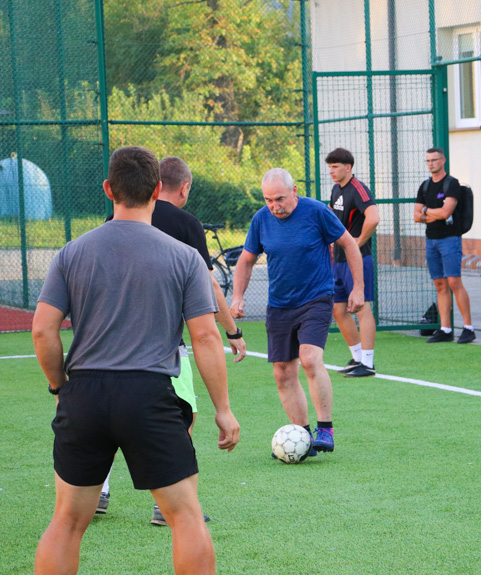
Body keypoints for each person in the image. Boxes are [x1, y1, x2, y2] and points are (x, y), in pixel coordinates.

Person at [32, 146, 240, 575]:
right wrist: (223, 409)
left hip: (85, 393)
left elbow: (42, 330)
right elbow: (204, 335)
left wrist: (59, 387)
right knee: (184, 516)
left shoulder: (72, 253)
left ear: (109, 189)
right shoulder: (183, 257)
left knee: (68, 521)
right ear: (158, 190)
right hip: (149, 393)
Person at [97, 156, 247, 525]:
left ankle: (99, 489)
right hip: (163, 345)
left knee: (104, 420)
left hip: (104, 346)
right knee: (183, 415)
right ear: (184, 188)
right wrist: (233, 330)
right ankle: (168, 504)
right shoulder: (185, 223)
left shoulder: (111, 224)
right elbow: (208, 285)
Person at [230, 168, 364, 455]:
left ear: (294, 191)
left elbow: (349, 245)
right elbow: (246, 260)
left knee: (310, 358)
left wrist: (358, 288)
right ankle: (302, 437)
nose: (275, 206)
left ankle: (325, 429)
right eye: (268, 200)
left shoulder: (316, 212)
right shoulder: (261, 219)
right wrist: (237, 297)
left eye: (279, 198)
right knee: (282, 372)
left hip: (316, 297)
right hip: (279, 304)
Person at [326, 148, 379, 377]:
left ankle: (368, 363)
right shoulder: (336, 189)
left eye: (335, 166)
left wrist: (357, 243)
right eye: (329, 166)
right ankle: (357, 358)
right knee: (338, 310)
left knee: (362, 308)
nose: (331, 171)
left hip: (358, 260)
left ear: (348, 167)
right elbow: (330, 213)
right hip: (338, 259)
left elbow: (374, 217)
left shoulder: (358, 189)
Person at [413, 147, 475, 344]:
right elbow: (416, 216)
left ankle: (468, 328)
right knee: (439, 284)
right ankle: (445, 329)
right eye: (428, 161)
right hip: (431, 240)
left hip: (450, 239)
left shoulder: (452, 184)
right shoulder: (424, 186)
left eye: (434, 160)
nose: (431, 164)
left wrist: (426, 212)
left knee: (454, 282)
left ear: (443, 161)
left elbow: (446, 213)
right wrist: (432, 213)